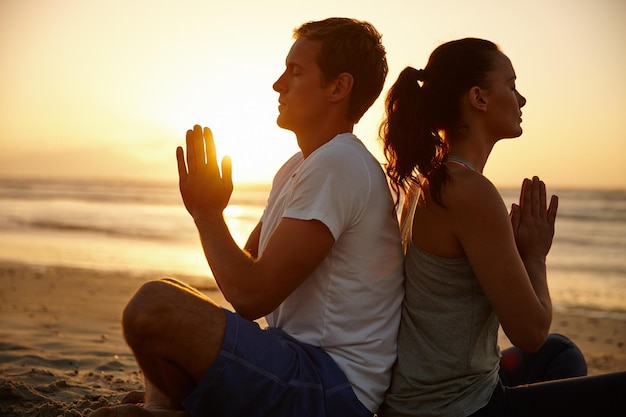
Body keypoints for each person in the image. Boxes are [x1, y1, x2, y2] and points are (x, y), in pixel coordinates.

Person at [91, 17, 404, 417]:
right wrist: (211, 213)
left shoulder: (341, 164)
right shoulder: (300, 166)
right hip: (290, 360)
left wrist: (207, 214)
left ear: (338, 88)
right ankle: (167, 405)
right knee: (172, 302)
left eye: (295, 71)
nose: (278, 84)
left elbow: (251, 295)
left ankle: (167, 406)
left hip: (332, 389)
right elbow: (248, 270)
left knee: (153, 306)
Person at [376, 38, 626, 417]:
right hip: (451, 409)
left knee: (560, 353)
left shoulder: (428, 182)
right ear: (479, 98)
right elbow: (530, 332)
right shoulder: (471, 193)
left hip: (420, 401)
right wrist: (535, 255)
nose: (521, 99)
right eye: (511, 85)